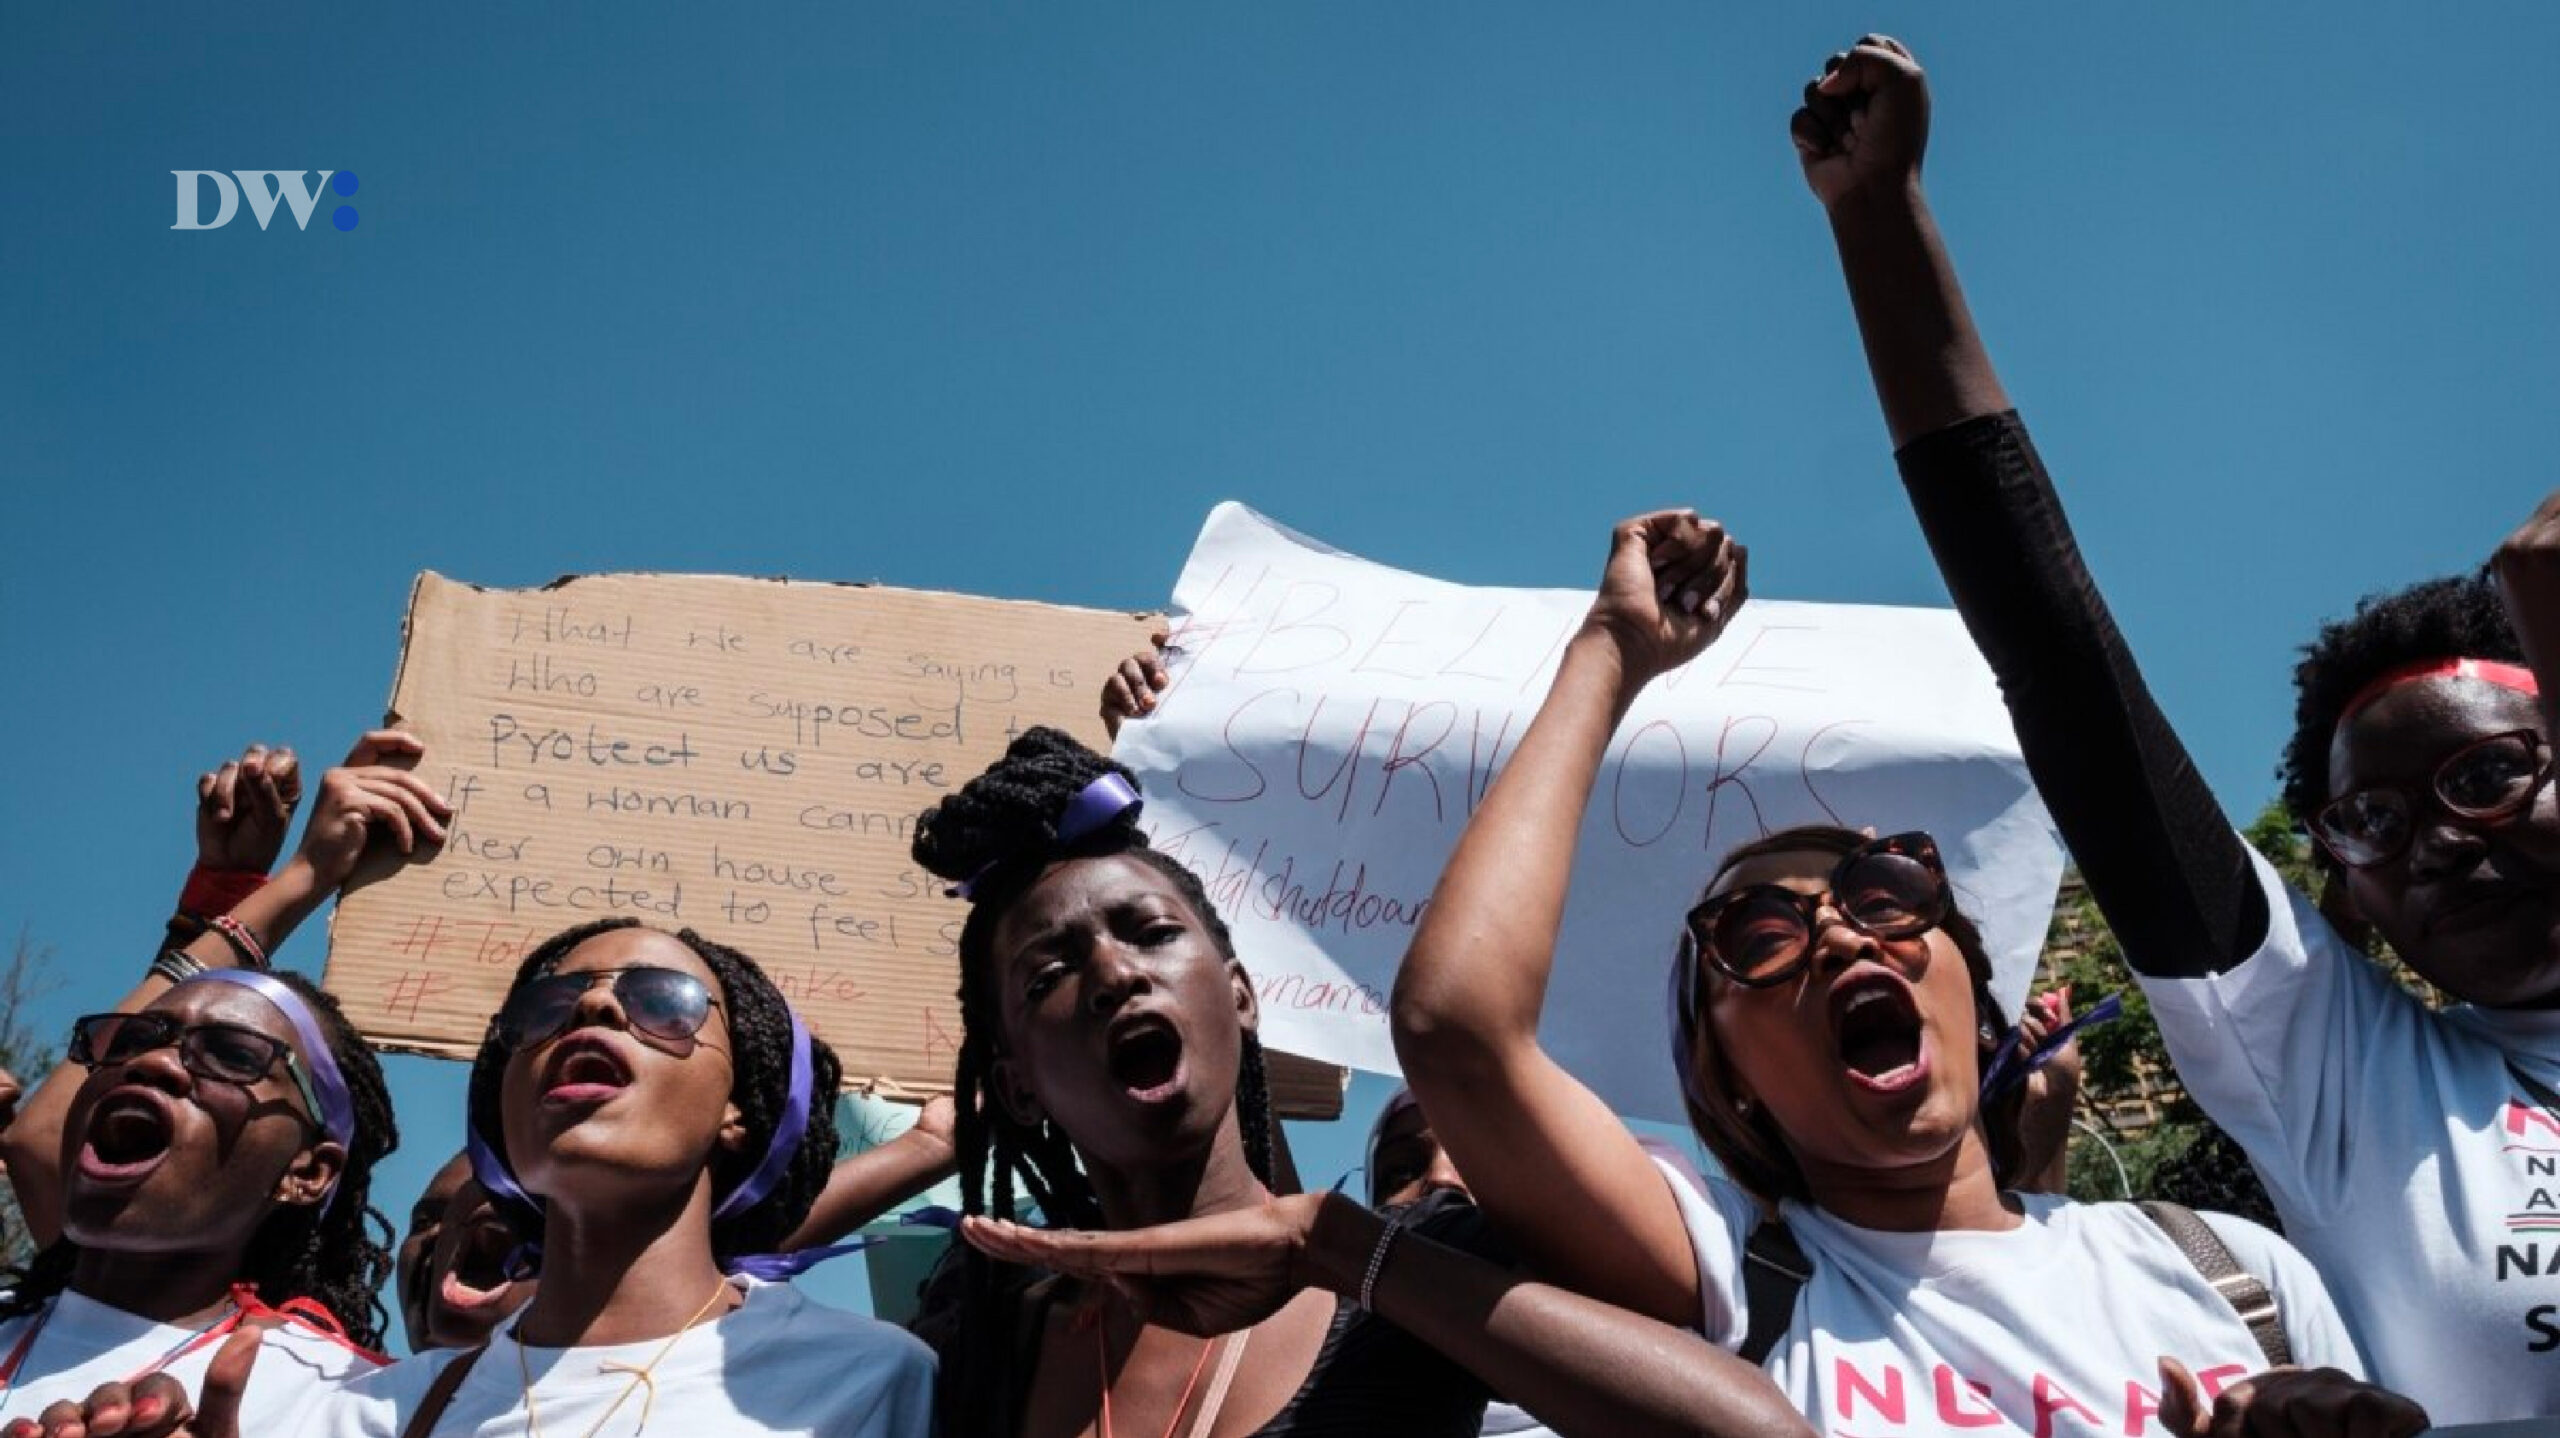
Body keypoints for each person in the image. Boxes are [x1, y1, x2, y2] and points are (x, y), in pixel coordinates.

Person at [1796, 28, 2559, 1424]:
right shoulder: (2351, 1083)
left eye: (2490, 773)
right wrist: (1879, 217)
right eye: (2376, 820)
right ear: (2349, 895)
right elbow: (2072, 676)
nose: (2442, 838)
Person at [1389, 504, 2422, 1436]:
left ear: (1974, 996)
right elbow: (1457, 1030)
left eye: (1882, 892)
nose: (1840, 937)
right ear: (1725, 1078)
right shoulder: (1729, 1283)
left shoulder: (2227, 1272)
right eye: (1759, 938)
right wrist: (1611, 651)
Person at [914, 727, 1813, 1438]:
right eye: (1048, 977)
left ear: (1240, 999)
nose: (1114, 975)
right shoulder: (991, 1320)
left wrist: (1339, 1251)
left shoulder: (1420, 1262)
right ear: (1016, 1084)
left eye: (1150, 933)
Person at [283, 918, 936, 1436]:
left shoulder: (868, 1379)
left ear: (740, 1105)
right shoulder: (365, 1416)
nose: (594, 1004)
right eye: (544, 1007)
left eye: (662, 1001)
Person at [0, 734, 439, 1434]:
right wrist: (238, 892)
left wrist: (304, 877)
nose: (153, 1062)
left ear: (308, 1171)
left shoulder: (356, 1404)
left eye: (233, 1054)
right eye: (138, 1039)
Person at [391, 1097, 957, 1355]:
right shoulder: (337, 1405)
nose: (439, 1237)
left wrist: (924, 1149)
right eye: (425, 1219)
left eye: (523, 1221)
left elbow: (712, 1255)